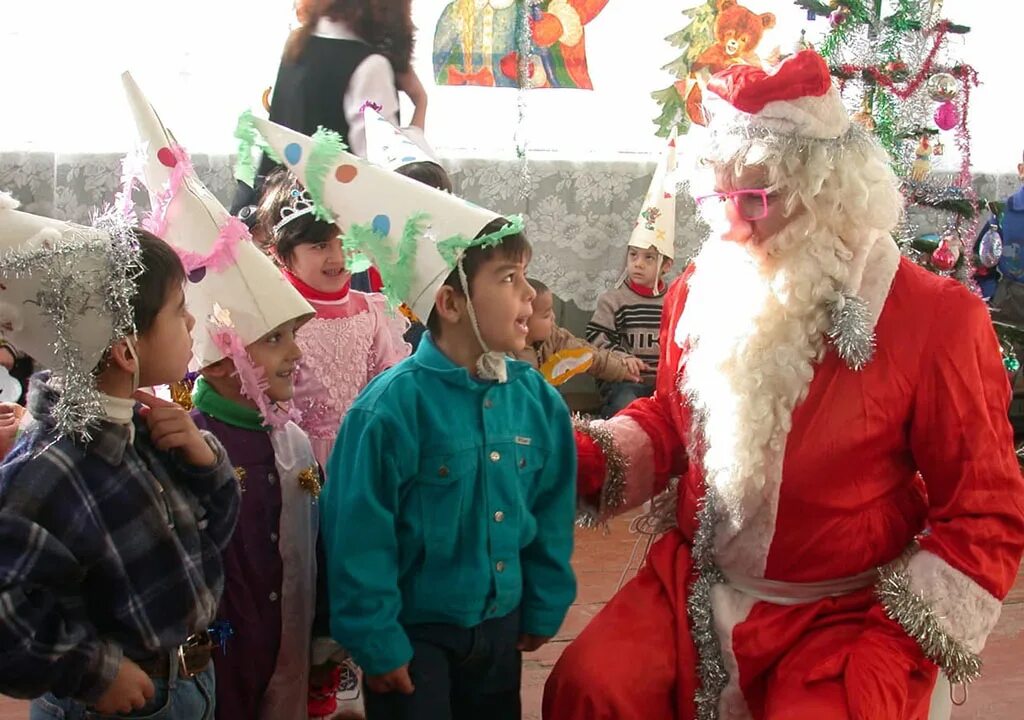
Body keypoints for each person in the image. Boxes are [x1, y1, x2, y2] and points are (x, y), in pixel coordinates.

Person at [544, 50, 1024, 720]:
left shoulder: (935, 319)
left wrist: (890, 651)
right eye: (720, 197)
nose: (733, 224)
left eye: (757, 198)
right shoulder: (701, 287)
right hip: (697, 587)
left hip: (843, 615)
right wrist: (576, 458)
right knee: (590, 687)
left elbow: (984, 514)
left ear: (825, 192)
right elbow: (669, 422)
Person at [251, 116, 577, 719]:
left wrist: (545, 598)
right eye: (509, 279)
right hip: (415, 635)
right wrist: (375, 640)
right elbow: (360, 535)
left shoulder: (537, 400)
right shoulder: (387, 411)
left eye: (525, 276)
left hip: (500, 623)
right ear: (450, 302)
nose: (529, 295)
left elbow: (551, 509)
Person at [123, 73, 330, 720]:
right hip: (215, 670)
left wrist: (323, 637)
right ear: (216, 363)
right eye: (273, 342)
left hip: (284, 652)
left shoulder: (293, 442)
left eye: (293, 335)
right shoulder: (179, 444)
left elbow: (312, 550)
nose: (295, 354)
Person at [0, 194, 240, 719]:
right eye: (179, 311)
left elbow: (205, 544)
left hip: (187, 684)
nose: (193, 324)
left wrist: (205, 463)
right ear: (125, 349)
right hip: (116, 701)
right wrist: (91, 670)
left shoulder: (145, 427)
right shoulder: (48, 466)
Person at [255, 167, 411, 470]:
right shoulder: (275, 319)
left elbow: (388, 384)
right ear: (280, 252)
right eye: (320, 246)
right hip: (297, 460)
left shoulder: (371, 311)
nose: (337, 257)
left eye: (345, 242)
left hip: (363, 453)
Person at [232, 0, 427, 214]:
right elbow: (386, 172)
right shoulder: (370, 66)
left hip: (279, 215)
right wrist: (420, 101)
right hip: (333, 230)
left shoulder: (298, 45)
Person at [586, 132, 677, 416]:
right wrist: (621, 358)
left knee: (682, 409)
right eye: (633, 255)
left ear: (665, 266)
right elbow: (595, 337)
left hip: (663, 382)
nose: (638, 263)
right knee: (626, 403)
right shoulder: (614, 300)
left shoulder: (672, 301)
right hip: (626, 380)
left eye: (649, 258)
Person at [514, 278, 646, 386]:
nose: (553, 317)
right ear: (523, 320)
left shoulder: (555, 337)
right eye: (546, 315)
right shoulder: (505, 353)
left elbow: (589, 355)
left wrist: (621, 370)